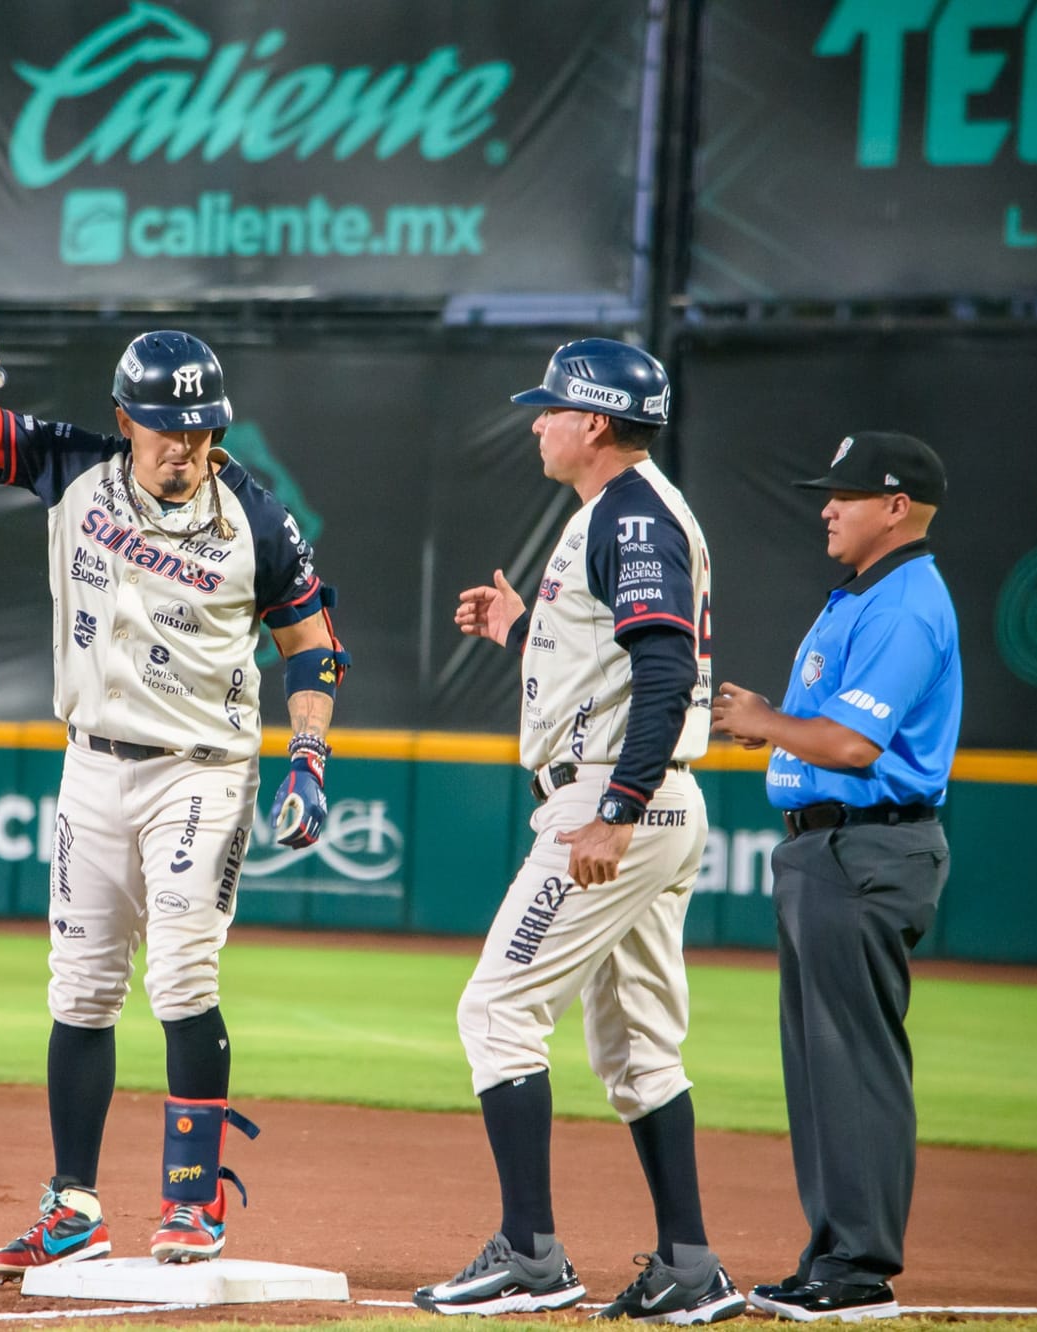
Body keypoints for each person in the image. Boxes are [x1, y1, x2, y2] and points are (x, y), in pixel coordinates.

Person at [0, 328, 348, 1279]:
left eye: (201, 429)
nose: (184, 448)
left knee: (183, 978)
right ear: (126, 420)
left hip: (201, 770)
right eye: (166, 428)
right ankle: (74, 1206)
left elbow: (312, 644)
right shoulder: (74, 467)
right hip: (92, 763)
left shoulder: (256, 517)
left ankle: (192, 1203)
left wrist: (310, 754)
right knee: (78, 989)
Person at [417, 339, 744, 1323]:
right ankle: (688, 1266)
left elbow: (660, 673)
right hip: (651, 797)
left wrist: (614, 810)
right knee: (638, 1047)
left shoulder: (632, 513)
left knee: (494, 1012)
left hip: (616, 801)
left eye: (551, 408)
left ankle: (529, 1255)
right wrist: (521, 631)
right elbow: (609, 664)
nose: (536, 422)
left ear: (594, 422)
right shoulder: (619, 513)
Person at [711, 432, 961, 1323]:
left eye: (846, 494)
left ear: (896, 507)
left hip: (866, 849)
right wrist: (774, 729)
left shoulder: (903, 604)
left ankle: (858, 1268)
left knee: (852, 1063)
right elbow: (828, 734)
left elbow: (855, 747)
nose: (826, 506)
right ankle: (831, 1256)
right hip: (829, 850)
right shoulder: (867, 595)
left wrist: (766, 719)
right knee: (821, 1067)